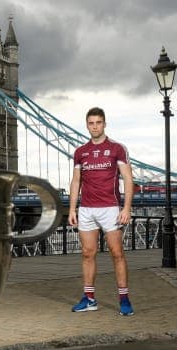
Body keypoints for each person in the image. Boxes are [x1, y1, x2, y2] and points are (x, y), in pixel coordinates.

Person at [68, 107, 134, 316]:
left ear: (104, 123)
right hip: (87, 209)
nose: (95, 126)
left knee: (117, 253)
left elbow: (129, 179)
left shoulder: (117, 149)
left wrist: (127, 207)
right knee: (88, 254)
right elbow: (76, 181)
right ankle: (89, 299)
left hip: (110, 208)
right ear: (87, 125)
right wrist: (72, 209)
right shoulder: (80, 152)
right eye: (91, 123)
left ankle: (124, 299)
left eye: (98, 122)